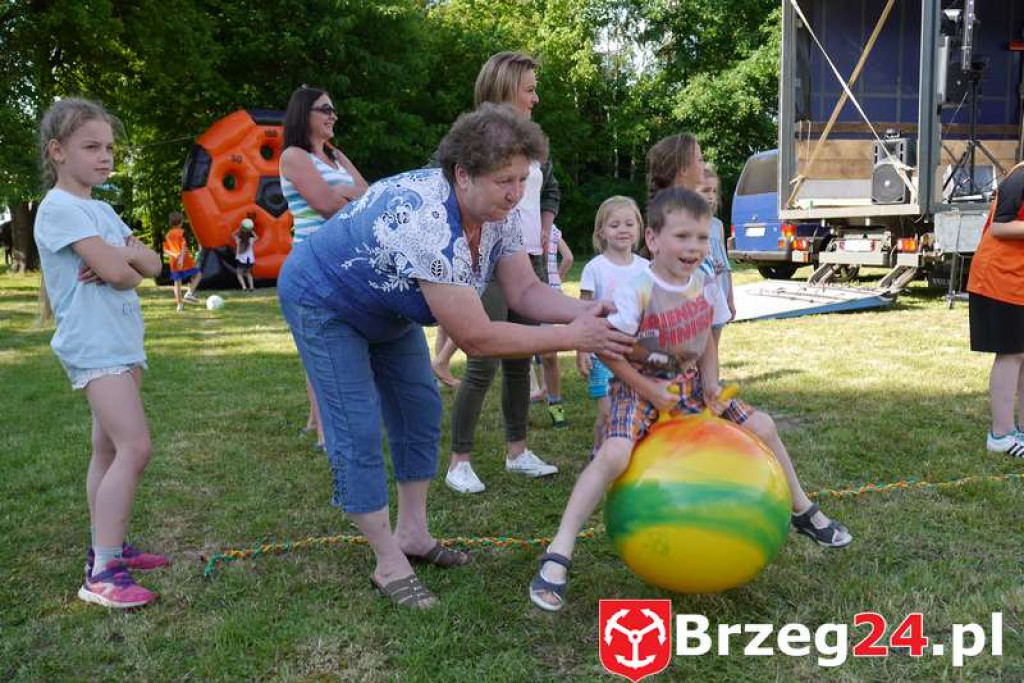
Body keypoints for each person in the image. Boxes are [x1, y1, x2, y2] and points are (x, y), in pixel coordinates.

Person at [277, 103, 633, 609]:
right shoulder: (425, 217)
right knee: (355, 425)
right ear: (462, 174)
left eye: (521, 180)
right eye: (503, 181)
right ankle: (386, 560)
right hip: (323, 299)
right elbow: (478, 337)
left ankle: (413, 535)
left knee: (420, 406)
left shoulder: (500, 213)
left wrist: (588, 309)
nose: (515, 194)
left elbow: (526, 290)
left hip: (386, 305)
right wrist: (576, 336)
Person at [529, 188, 853, 612]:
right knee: (613, 455)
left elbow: (708, 343)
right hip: (638, 390)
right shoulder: (637, 290)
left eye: (701, 238)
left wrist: (712, 384)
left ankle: (803, 510)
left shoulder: (705, 283)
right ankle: (559, 552)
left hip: (692, 388)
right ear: (654, 241)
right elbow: (611, 350)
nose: (693, 247)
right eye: (682, 237)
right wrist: (649, 391)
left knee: (764, 426)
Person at [34, 98, 168, 609]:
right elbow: (118, 274)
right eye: (92, 147)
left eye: (109, 147)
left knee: (108, 450)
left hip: (122, 343)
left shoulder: (101, 209)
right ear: (58, 151)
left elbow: (149, 267)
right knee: (136, 447)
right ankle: (104, 573)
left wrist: (125, 256)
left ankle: (107, 548)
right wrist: (122, 261)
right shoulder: (59, 208)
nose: (105, 156)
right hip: (95, 347)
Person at [445, 51, 564, 495]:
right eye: (529, 89)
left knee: (521, 358)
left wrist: (546, 230)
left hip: (527, 258)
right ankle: (460, 461)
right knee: (484, 359)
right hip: (485, 260)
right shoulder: (472, 141)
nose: (536, 98)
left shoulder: (533, 141)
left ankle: (518, 453)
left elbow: (549, 188)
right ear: (505, 89)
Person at [280, 85, 368, 451]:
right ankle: (323, 431)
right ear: (305, 114)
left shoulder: (337, 157)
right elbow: (325, 205)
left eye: (333, 109)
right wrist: (348, 196)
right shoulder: (294, 156)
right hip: (313, 265)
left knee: (332, 343)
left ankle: (317, 419)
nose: (334, 115)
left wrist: (345, 195)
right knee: (320, 348)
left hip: (344, 263)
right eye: (325, 109)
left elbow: (370, 195)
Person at [577, 196, 649, 458]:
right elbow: (583, 312)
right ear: (601, 232)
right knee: (607, 413)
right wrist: (581, 350)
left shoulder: (647, 268)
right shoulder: (594, 269)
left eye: (629, 224)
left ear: (639, 230)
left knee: (631, 409)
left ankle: (628, 454)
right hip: (601, 352)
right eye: (615, 224)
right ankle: (599, 454)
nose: (623, 229)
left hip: (635, 352)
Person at [966, 161, 1024, 457]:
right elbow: (1001, 227)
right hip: (999, 279)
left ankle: (1021, 434)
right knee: (1011, 353)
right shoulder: (1021, 176)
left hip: (1018, 281)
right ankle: (1000, 436)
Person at [533, 224, 574, 427]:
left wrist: (555, 279)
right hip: (525, 293)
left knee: (548, 353)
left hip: (545, 296)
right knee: (538, 352)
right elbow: (568, 258)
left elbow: (568, 257)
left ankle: (555, 404)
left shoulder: (553, 228)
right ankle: (539, 394)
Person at [697, 165, 736, 341]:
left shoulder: (718, 226)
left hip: (719, 292)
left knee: (714, 346)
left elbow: (726, 266)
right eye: (705, 190)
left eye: (714, 191)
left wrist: (730, 299)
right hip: (697, 295)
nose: (711, 196)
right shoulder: (687, 224)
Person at [163, 211, 201, 312]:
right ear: (181, 222)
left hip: (174, 262)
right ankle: (189, 293)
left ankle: (179, 305)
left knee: (177, 284)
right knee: (198, 275)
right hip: (185, 260)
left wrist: (175, 256)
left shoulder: (168, 235)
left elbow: (165, 249)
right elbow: (183, 247)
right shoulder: (182, 232)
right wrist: (181, 258)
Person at [233, 217, 258, 291]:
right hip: (250, 259)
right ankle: (251, 287)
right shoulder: (251, 240)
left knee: (239, 273)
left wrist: (241, 227)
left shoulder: (238, 239)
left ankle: (244, 287)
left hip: (241, 259)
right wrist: (251, 230)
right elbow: (256, 237)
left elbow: (233, 234)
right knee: (248, 273)